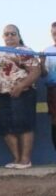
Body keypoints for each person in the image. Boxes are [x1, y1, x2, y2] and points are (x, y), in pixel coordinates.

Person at [0, 24, 40, 169]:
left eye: (13, 33)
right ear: (2, 36)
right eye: (7, 34)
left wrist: (21, 86)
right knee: (5, 128)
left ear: (19, 36)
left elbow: (36, 71)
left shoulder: (24, 51)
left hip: (24, 93)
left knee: (24, 125)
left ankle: (25, 160)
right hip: (3, 94)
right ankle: (17, 159)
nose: (10, 36)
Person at [40, 22, 56, 153]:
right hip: (54, 90)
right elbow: (44, 74)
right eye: (53, 33)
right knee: (55, 121)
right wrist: (42, 63)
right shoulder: (47, 51)